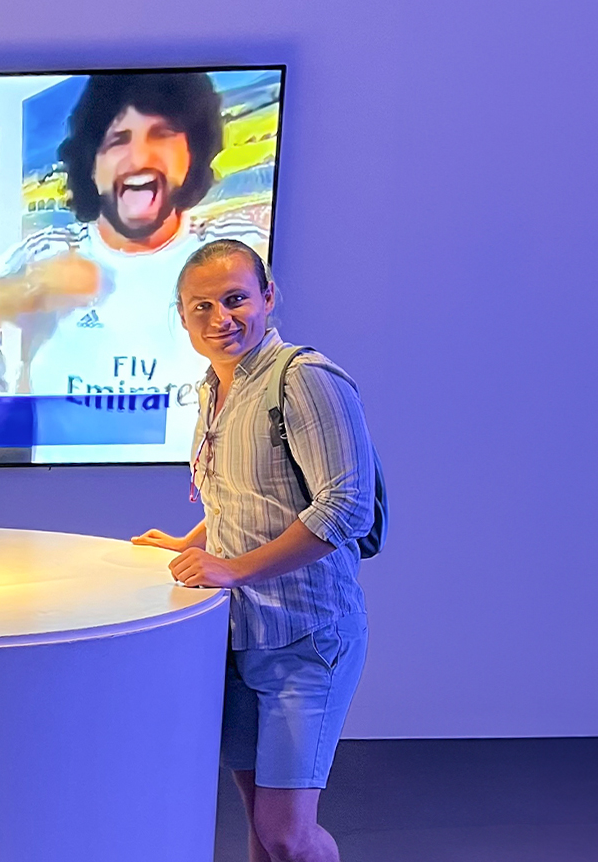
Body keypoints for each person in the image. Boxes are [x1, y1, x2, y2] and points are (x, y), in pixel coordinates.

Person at [133, 239, 373, 862]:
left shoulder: (306, 378)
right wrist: (190, 541)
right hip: (239, 638)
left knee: (290, 836)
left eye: (236, 299)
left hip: (307, 637)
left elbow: (346, 508)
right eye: (201, 307)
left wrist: (233, 568)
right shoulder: (215, 389)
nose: (221, 320)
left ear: (268, 298)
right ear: (181, 318)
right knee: (263, 832)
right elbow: (244, 499)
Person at [9, 73, 264, 446]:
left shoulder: (241, 257)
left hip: (210, 498)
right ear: (91, 165)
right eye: (117, 140)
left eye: (162, 135)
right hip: (56, 494)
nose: (140, 158)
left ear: (193, 152)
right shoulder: (36, 262)